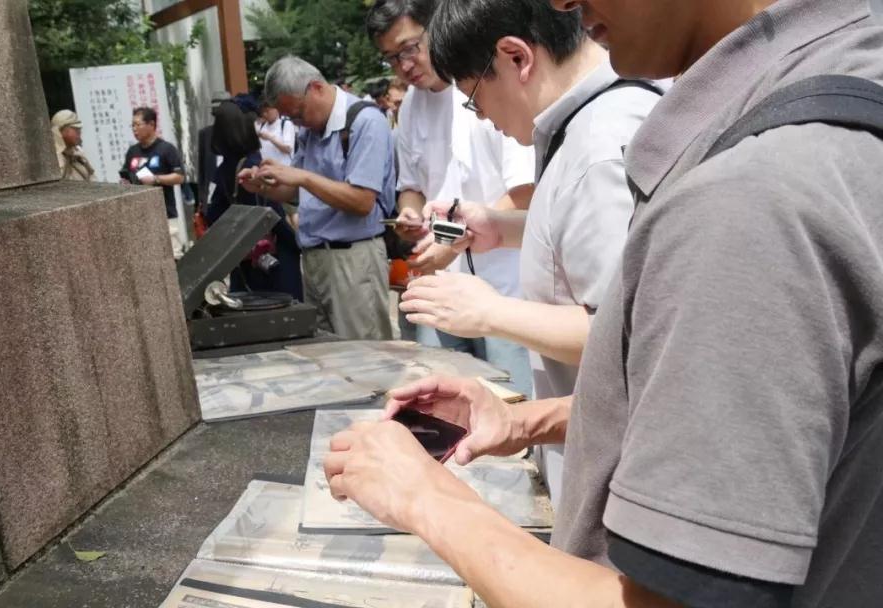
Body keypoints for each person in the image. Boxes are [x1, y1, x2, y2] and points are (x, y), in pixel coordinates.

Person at [325, 0, 883, 606]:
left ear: (516, 59)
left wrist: (425, 498)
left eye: (475, 94)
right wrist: (525, 420)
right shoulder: (837, 92)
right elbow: (708, 392)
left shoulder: (745, 200)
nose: (562, 3)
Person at [400, 0, 659, 503]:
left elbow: (629, 334)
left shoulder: (600, 146)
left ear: (516, 58)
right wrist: (499, 227)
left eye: (474, 97)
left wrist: (488, 312)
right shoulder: (590, 124)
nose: (484, 118)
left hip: (621, 471)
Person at [367, 0, 536, 395]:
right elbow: (411, 185)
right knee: (447, 406)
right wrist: (410, 215)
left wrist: (447, 239)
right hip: (441, 284)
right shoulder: (411, 105)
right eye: (392, 58)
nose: (405, 64)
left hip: (504, 284)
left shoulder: (485, 82)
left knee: (512, 403)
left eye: (410, 48)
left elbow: (525, 192)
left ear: (434, 26)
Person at [239, 56, 396, 340]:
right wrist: (262, 186)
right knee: (328, 357)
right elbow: (299, 191)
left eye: (298, 114)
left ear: (316, 88)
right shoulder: (309, 130)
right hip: (314, 257)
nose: (297, 123)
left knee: (367, 359)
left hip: (353, 259)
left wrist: (303, 177)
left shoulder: (365, 122)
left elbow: (362, 201)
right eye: (291, 118)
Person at [206, 98, 303, 302]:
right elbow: (272, 215)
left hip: (243, 257)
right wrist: (297, 244)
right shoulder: (253, 166)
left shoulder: (223, 169)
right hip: (272, 257)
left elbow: (213, 213)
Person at [120, 107, 185, 257]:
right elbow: (126, 173)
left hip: (165, 212)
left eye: (138, 124)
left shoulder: (166, 149)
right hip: (139, 214)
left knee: (173, 255)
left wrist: (156, 179)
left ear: (151, 124)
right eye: (133, 125)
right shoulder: (132, 151)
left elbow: (180, 177)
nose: (134, 129)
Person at [51, 110, 94, 182]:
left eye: (79, 129)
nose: (79, 132)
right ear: (60, 131)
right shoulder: (51, 157)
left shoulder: (78, 152)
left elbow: (92, 177)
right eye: (75, 129)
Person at [255, 101, 297, 167]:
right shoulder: (261, 126)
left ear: (276, 109)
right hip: (266, 169)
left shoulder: (286, 124)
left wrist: (270, 138)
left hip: (284, 168)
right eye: (263, 112)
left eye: (267, 111)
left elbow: (288, 148)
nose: (265, 114)